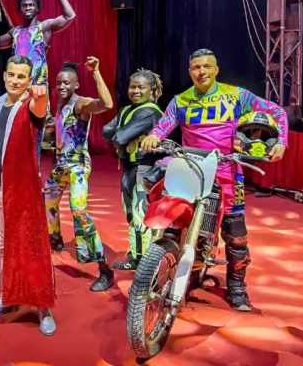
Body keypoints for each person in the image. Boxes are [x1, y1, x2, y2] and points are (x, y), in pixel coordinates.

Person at [141, 49, 288, 311]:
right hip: (191, 168)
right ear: (190, 71)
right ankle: (176, 267)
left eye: (207, 66)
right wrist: (153, 136)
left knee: (235, 234)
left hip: (227, 171)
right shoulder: (180, 101)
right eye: (196, 67)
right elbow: (163, 126)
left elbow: (277, 112)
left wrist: (282, 142)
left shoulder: (236, 95)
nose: (202, 72)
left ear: (216, 69)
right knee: (175, 221)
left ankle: (237, 288)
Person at [0, 55, 56, 336]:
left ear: (29, 80)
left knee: (31, 247)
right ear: (5, 75)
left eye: (22, 76)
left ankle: (43, 307)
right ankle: (7, 296)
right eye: (12, 74)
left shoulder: (29, 104)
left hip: (23, 190)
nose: (15, 80)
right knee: (1, 245)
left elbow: (39, 110)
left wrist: (42, 95)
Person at [43, 58, 115, 291]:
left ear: (76, 85)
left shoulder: (80, 104)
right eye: (59, 82)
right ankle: (55, 241)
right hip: (60, 166)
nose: (61, 86)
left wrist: (96, 72)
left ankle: (105, 269)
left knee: (79, 209)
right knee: (48, 199)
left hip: (77, 167)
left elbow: (106, 104)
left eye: (67, 83)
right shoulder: (60, 105)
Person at [0, 0, 77, 155]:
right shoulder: (15, 32)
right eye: (24, 5)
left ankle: (35, 167)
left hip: (38, 90)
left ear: (37, 8)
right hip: (17, 90)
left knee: (37, 132)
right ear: (19, 9)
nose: (28, 8)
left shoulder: (44, 27)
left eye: (31, 5)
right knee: (17, 131)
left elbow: (69, 16)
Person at [102, 69, 164, 271]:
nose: (135, 91)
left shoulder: (150, 111)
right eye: (132, 87)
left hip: (144, 169)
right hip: (129, 169)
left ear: (152, 90)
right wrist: (120, 135)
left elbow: (118, 137)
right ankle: (135, 257)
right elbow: (106, 132)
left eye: (141, 87)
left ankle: (147, 263)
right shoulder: (127, 110)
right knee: (131, 214)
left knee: (142, 215)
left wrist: (120, 135)